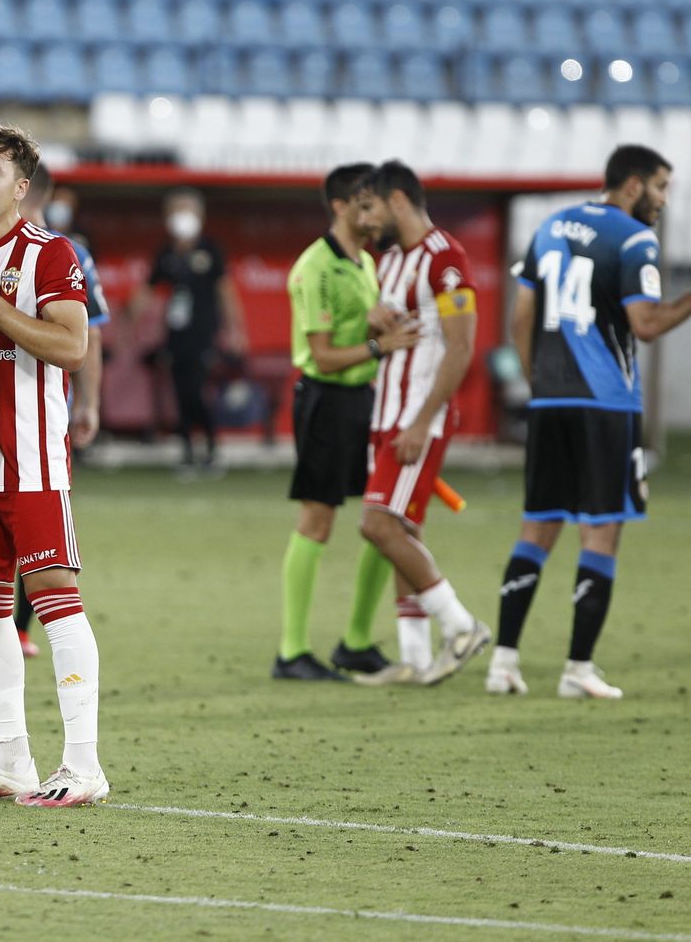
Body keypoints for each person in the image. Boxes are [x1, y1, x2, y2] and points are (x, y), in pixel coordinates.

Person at [0, 125, 106, 806]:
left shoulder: (49, 252)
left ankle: (85, 765)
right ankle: (11, 760)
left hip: (31, 459)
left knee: (58, 604)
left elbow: (71, 345)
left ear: (22, 186)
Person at [488, 145, 688, 699]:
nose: (663, 200)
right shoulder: (633, 239)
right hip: (606, 405)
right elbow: (645, 324)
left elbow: (520, 319)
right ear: (631, 186)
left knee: (538, 526)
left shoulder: (551, 226)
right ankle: (577, 669)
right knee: (602, 529)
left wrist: (540, 387)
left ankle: (503, 662)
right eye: (661, 187)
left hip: (550, 403)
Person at [275, 164, 424, 681]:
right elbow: (321, 355)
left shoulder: (365, 261)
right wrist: (381, 343)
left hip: (364, 399)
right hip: (326, 400)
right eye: (367, 201)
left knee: (384, 516)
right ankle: (291, 652)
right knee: (318, 520)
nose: (376, 211)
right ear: (341, 207)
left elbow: (353, 332)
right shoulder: (315, 266)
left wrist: (375, 325)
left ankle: (356, 642)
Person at [351, 161, 490, 686]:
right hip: (387, 413)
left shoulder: (445, 258)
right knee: (401, 532)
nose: (367, 220)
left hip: (418, 418)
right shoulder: (389, 262)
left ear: (399, 201)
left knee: (377, 524)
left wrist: (423, 421)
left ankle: (461, 626)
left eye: (373, 207)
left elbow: (462, 346)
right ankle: (414, 657)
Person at [12, 162, 109, 659]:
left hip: (39, 411)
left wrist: (87, 401)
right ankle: (1, 623)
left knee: (33, 523)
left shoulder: (67, 254)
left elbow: (84, 337)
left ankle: (20, 626)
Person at [129, 189, 247, 475]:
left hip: (204, 334)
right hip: (175, 335)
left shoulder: (210, 250)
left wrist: (237, 330)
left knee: (197, 392)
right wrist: (128, 322)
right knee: (180, 395)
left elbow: (225, 291)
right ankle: (186, 452)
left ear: (199, 215)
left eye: (186, 210)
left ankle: (210, 449)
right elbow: (147, 290)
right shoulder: (167, 253)